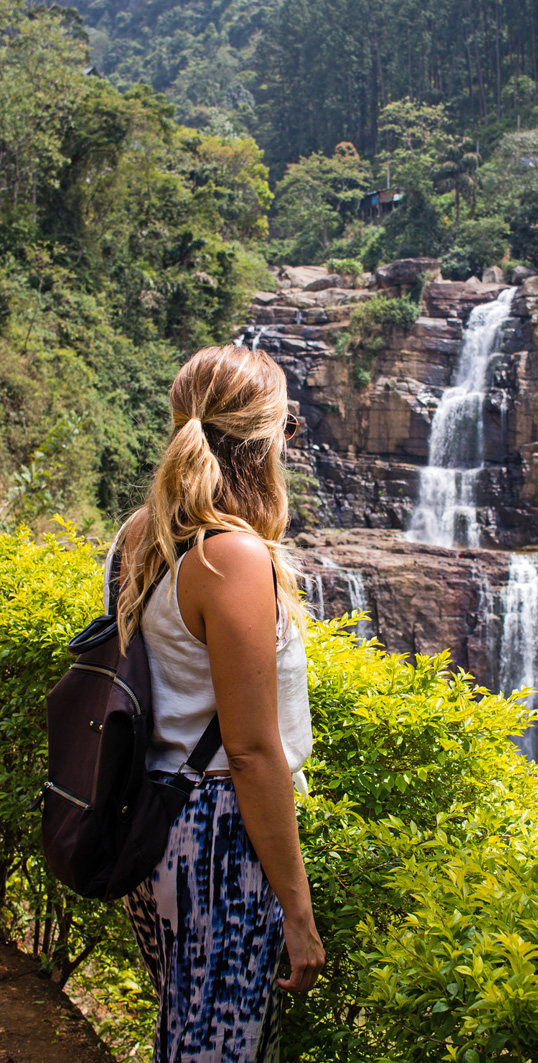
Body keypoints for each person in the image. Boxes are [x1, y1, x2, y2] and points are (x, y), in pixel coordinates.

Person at [107, 344, 325, 1063]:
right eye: (286, 427)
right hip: (220, 840)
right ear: (264, 441)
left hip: (154, 819)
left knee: (190, 1034)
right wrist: (298, 910)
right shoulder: (231, 557)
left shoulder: (138, 538)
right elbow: (254, 749)